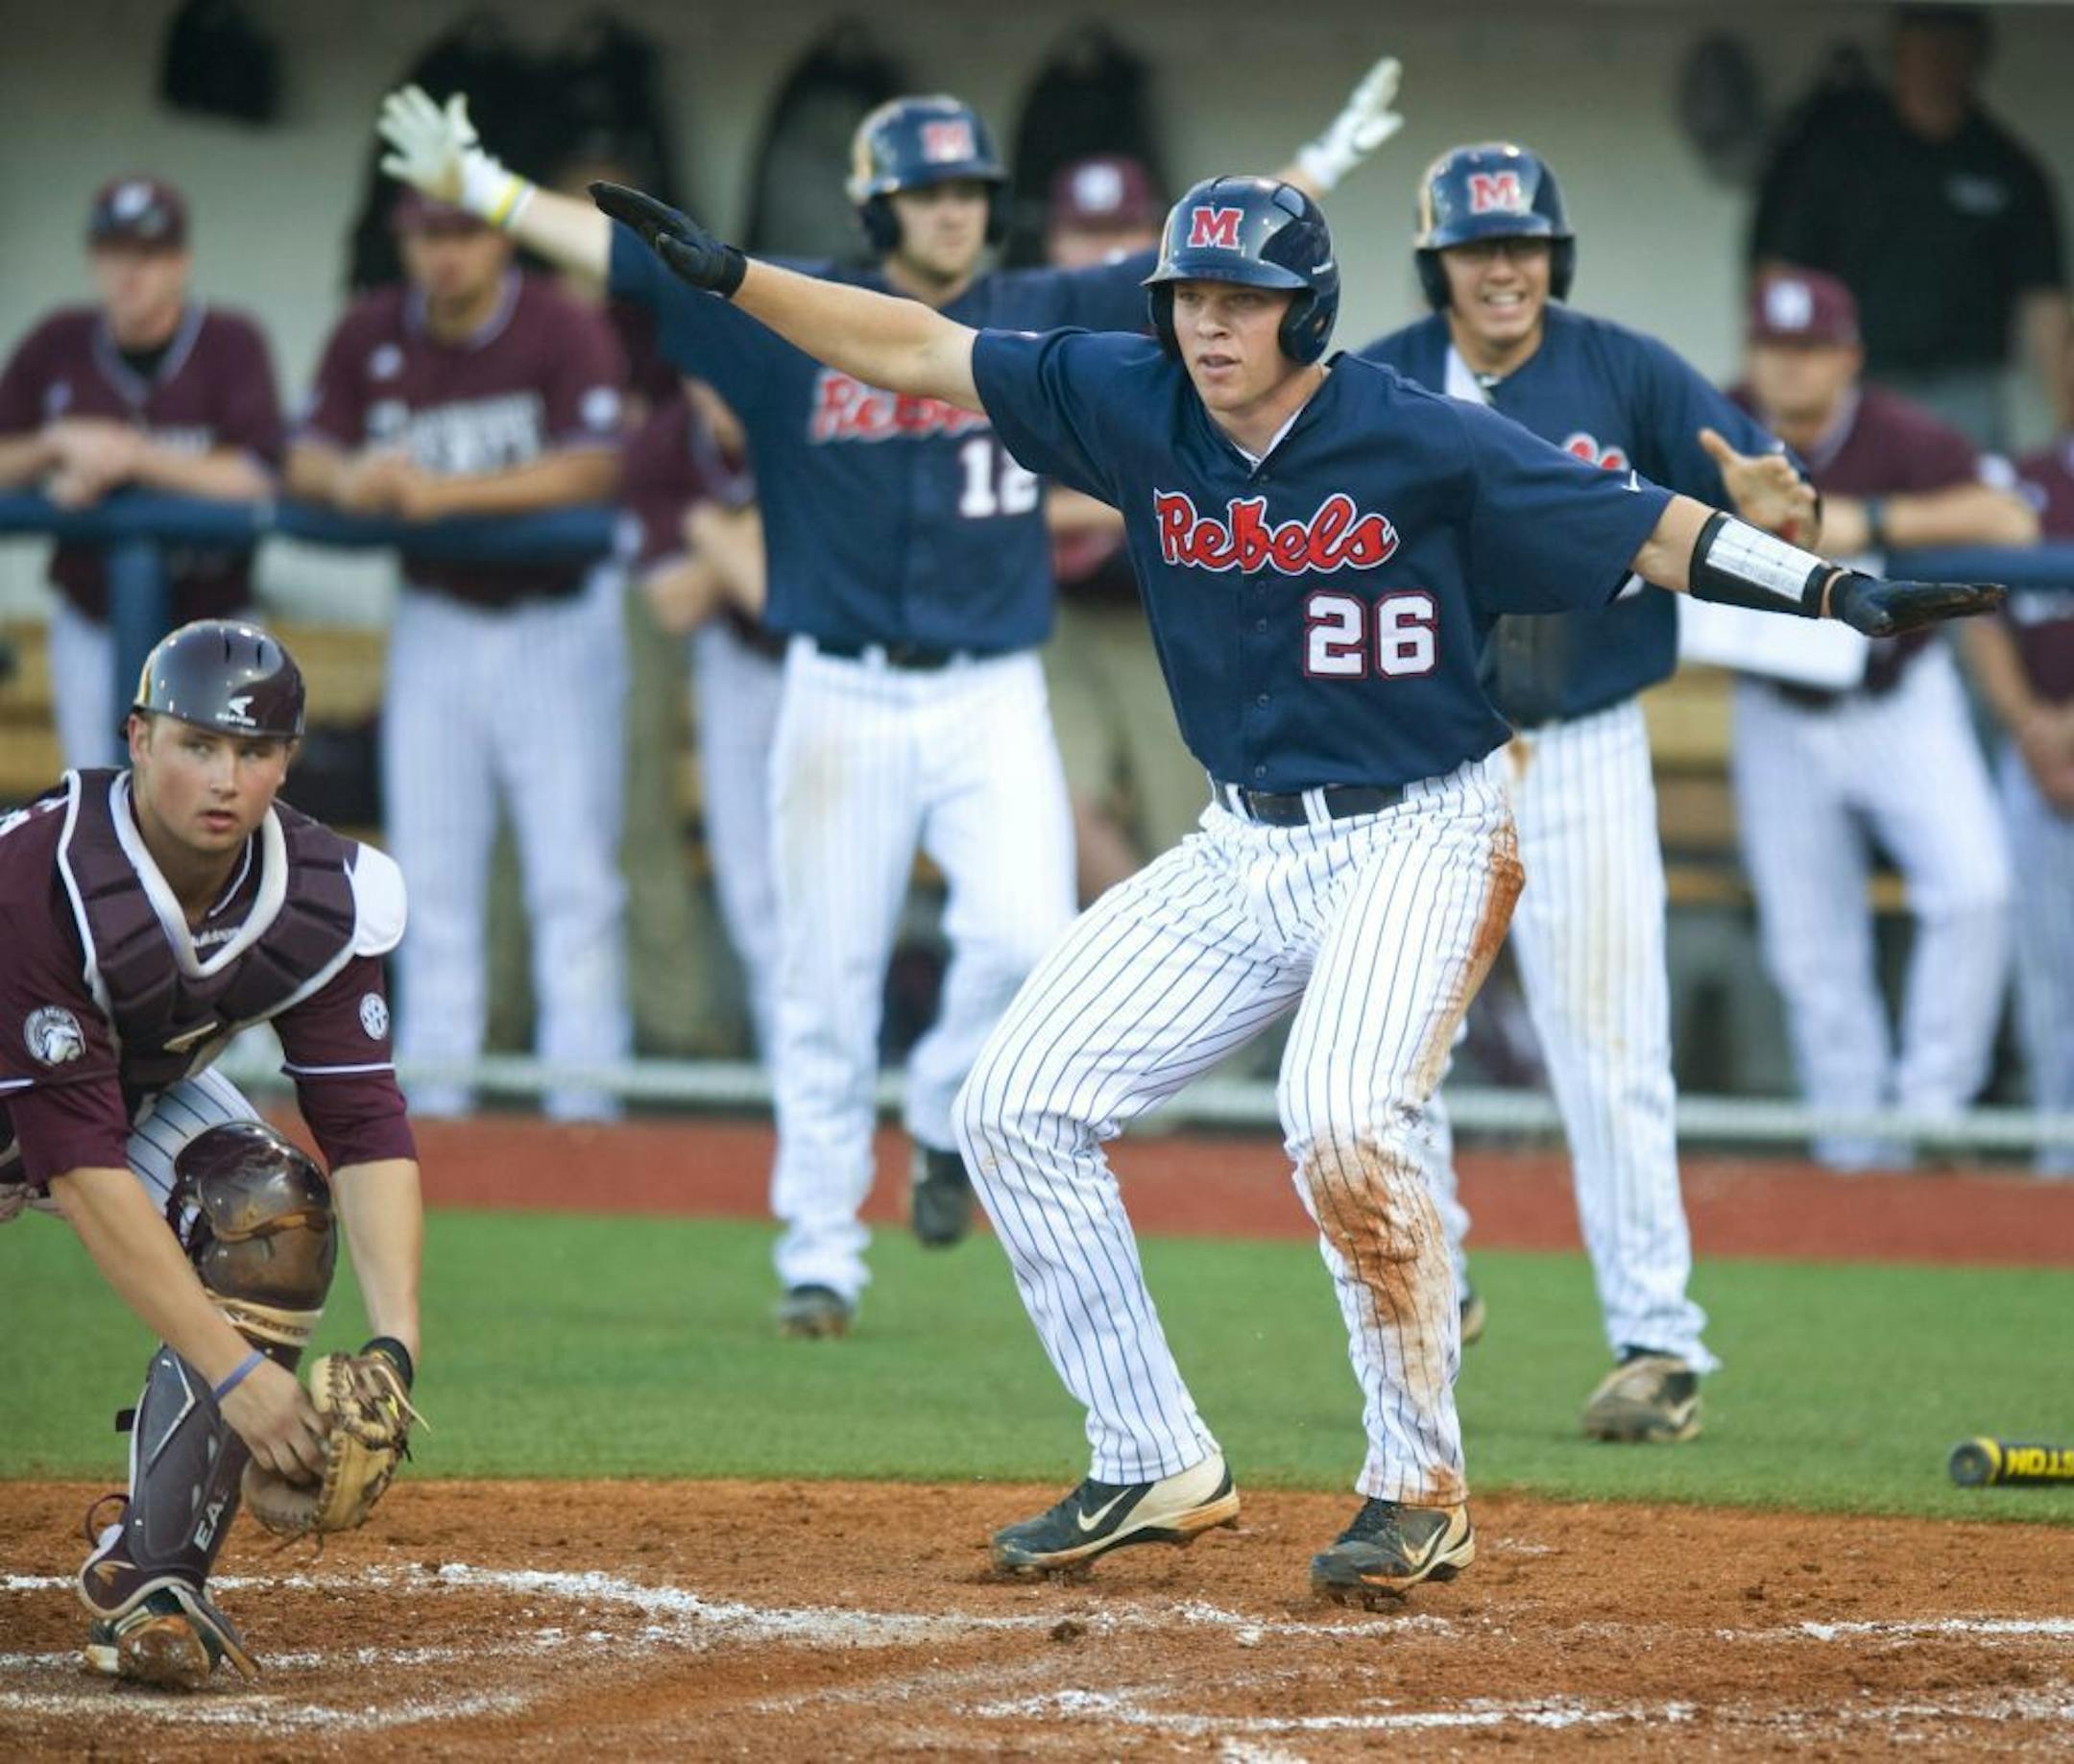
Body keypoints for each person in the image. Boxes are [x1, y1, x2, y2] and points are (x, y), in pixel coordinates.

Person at [585, 167, 2000, 1600]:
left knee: (1336, 1118)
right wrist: (738, 281)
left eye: (1241, 301)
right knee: (1011, 1106)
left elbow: (1644, 523)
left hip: (1424, 829)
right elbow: (916, 348)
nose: (1208, 325)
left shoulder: (1417, 433)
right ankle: (1153, 1453)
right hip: (1242, 843)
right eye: (1190, 296)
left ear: (1306, 308)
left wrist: (1834, 595)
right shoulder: (1133, 399)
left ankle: (1417, 1488)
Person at [374, 62, 1410, 1336]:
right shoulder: (804, 313)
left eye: (969, 190)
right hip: (841, 694)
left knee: (1027, 938)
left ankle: (933, 1110)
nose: (951, 213)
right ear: (876, 208)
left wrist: (1315, 164)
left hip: (990, 687)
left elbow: (1208, 262)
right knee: (824, 978)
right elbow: (635, 262)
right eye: (923, 194)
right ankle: (820, 1253)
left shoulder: (1036, 307)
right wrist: (481, 188)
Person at [1360, 144, 1817, 1442]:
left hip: (1590, 743)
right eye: (1475, 247)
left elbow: (1761, 508)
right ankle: (1431, 1276)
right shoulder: (1382, 376)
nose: (1503, 268)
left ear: (1553, 254)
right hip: (1432, 750)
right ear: (1437, 260)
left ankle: (1658, 1343)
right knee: (1387, 1046)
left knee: (1610, 1050)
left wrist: (1788, 513)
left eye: (1523, 245)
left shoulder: (1626, 369)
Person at [0, 620, 423, 1688]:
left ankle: (153, 1576)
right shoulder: (39, 880)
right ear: (137, 739)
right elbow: (84, 1176)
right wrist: (241, 1378)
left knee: (267, 1213)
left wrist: (395, 1350)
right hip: (46, 1105)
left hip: (105, 1089)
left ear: (287, 759)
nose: (224, 777)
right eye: (196, 744)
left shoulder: (320, 894)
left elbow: (366, 1125)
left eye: (254, 750)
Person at [285, 191, 630, 1124]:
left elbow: (597, 464)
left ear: (499, 238)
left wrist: (451, 495)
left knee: (573, 876)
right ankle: (435, 1102)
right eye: (429, 235)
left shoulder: (560, 321)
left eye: (464, 233)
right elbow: (303, 453)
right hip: (435, 616)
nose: (446, 255)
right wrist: (352, 476)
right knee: (430, 874)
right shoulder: (372, 332)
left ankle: (586, 1107)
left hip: (557, 621)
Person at [1730, 268, 2035, 1170]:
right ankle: (1854, 1153)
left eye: (1811, 350)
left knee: (1976, 887)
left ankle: (1930, 1115)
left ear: (1849, 358)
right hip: (1776, 705)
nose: (1791, 371)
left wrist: (1872, 520)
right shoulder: (1722, 423)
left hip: (1899, 696)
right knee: (1808, 943)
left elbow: (2012, 519)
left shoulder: (1896, 430)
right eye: (1776, 351)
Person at [0, 178, 283, 767]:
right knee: (105, 806)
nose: (130, 271)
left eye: (148, 255)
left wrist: (130, 456)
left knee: (220, 818)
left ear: (180, 261)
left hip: (217, 625)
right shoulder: (58, 342)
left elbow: (259, 472)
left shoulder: (231, 342)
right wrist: (54, 445)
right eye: (114, 253)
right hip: (92, 620)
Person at [1748, 5, 2072, 448]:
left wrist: (2068, 427)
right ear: (1899, 53)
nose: (1937, 61)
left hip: (1965, 386)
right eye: (1925, 46)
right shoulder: (1841, 153)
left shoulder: (2008, 167)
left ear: (1976, 57)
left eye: (1951, 47)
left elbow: (2045, 305)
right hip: (1854, 380)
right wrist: (1778, 386)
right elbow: (1781, 276)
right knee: (1841, 507)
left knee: (1974, 507)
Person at [1038, 155, 1208, 902]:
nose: (1106, 253)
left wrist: (1100, 507)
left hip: (1171, 623)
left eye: (1126, 231)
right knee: (1059, 817)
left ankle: (1218, 1011)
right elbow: (1004, 506)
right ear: (1052, 245)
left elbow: (1213, 495)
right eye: (1085, 233)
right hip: (1063, 622)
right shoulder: (1033, 341)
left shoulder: (1198, 342)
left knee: (1192, 838)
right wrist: (1123, 504)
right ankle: (1164, 980)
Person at [621, 377, 785, 1056]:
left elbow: (773, 592)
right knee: (752, 884)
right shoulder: (665, 443)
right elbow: (675, 605)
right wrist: (752, 531)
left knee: (837, 888)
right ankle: (791, 1077)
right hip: (737, 658)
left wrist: (713, 530)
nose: (727, 396)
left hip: (847, 662)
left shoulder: (812, 406)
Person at [1975, 416, 2074, 1173]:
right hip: (2037, 759)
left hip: (2053, 744)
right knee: (2047, 981)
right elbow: (1980, 615)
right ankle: (2054, 1164)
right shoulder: (2016, 479)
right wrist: (2033, 726)